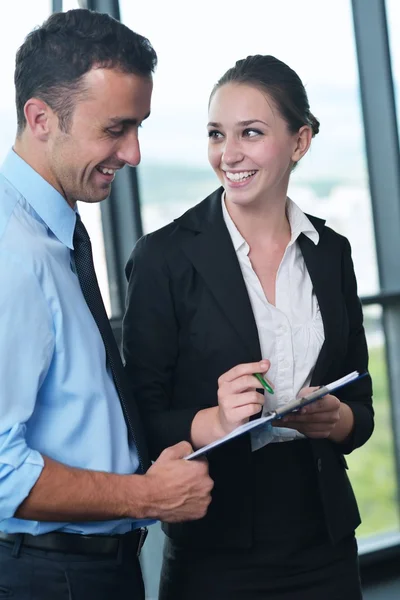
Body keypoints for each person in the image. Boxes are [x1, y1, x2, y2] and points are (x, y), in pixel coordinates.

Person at [123, 54, 374, 600]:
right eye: (216, 134)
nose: (227, 154)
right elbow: (137, 420)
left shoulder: (331, 253)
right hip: (216, 548)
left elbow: (363, 405)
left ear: (300, 142)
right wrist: (212, 420)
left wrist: (338, 420)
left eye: (251, 133)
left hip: (324, 541)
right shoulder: (163, 257)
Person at [0, 9, 214, 600]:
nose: (135, 152)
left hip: (90, 566)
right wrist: (148, 496)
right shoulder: (12, 254)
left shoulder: (53, 231)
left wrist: (139, 467)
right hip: (47, 576)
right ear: (40, 118)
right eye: (115, 129)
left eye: (139, 127)